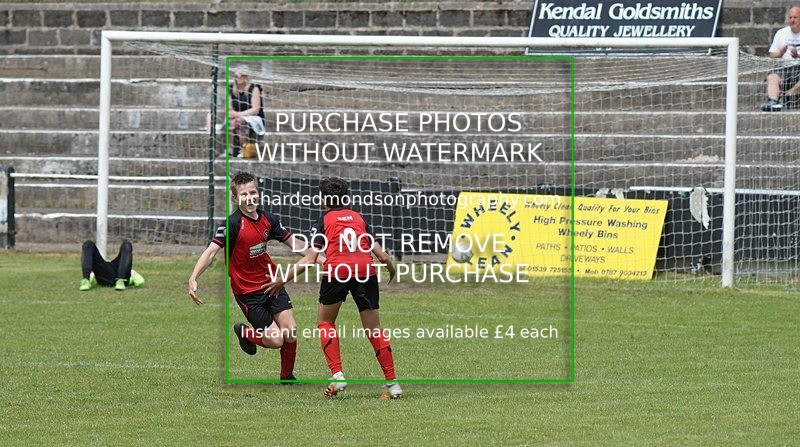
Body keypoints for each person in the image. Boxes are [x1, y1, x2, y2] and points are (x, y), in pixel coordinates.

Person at [267, 177, 402, 399]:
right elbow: (382, 255)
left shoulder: (325, 220)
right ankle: (393, 384)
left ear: (323, 198)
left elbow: (310, 259)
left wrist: (282, 279)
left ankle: (337, 375)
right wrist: (391, 269)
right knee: (374, 328)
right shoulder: (359, 218)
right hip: (365, 273)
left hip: (337, 272)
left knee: (326, 322)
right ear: (346, 197)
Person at [188, 172, 306, 383]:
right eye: (244, 194)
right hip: (248, 293)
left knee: (291, 330)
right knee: (276, 340)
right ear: (236, 198)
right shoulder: (232, 224)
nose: (249, 198)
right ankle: (245, 333)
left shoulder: (268, 219)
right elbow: (211, 252)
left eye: (253, 192)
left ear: (258, 194)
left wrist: (321, 258)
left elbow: (294, 243)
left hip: (273, 283)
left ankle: (286, 376)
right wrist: (194, 277)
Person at [762, 6, 800, 111]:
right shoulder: (781, 33)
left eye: (795, 17)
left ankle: (790, 93)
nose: (792, 20)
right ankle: (773, 101)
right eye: (790, 17)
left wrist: (797, 56)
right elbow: (772, 55)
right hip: (784, 66)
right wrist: (781, 53)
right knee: (772, 76)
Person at [79, 239, 145, 291]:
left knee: (126, 245)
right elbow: (140, 282)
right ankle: (86, 280)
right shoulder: (130, 270)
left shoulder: (129, 272)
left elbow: (141, 282)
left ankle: (120, 281)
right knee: (88, 244)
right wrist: (91, 276)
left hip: (121, 274)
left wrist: (133, 274)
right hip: (105, 274)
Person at [229, 67, 265, 157]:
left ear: (246, 76)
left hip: (253, 117)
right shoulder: (230, 88)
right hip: (237, 116)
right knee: (231, 122)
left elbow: (255, 109)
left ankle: (243, 148)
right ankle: (231, 148)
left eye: (242, 75)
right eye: (237, 75)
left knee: (240, 122)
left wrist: (238, 114)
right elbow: (229, 107)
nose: (239, 77)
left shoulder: (254, 88)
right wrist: (232, 113)